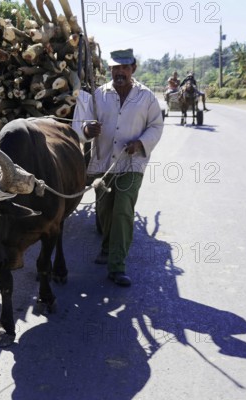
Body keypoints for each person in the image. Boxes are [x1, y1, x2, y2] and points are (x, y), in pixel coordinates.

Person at [72, 48, 163, 287]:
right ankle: (107, 245)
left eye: (124, 67)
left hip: (132, 163)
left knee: (123, 210)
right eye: (115, 68)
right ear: (110, 69)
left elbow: (156, 126)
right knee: (104, 209)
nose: (119, 72)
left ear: (133, 68)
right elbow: (84, 123)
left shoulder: (147, 97)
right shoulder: (99, 95)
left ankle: (117, 266)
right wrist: (87, 130)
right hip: (103, 162)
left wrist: (141, 143)